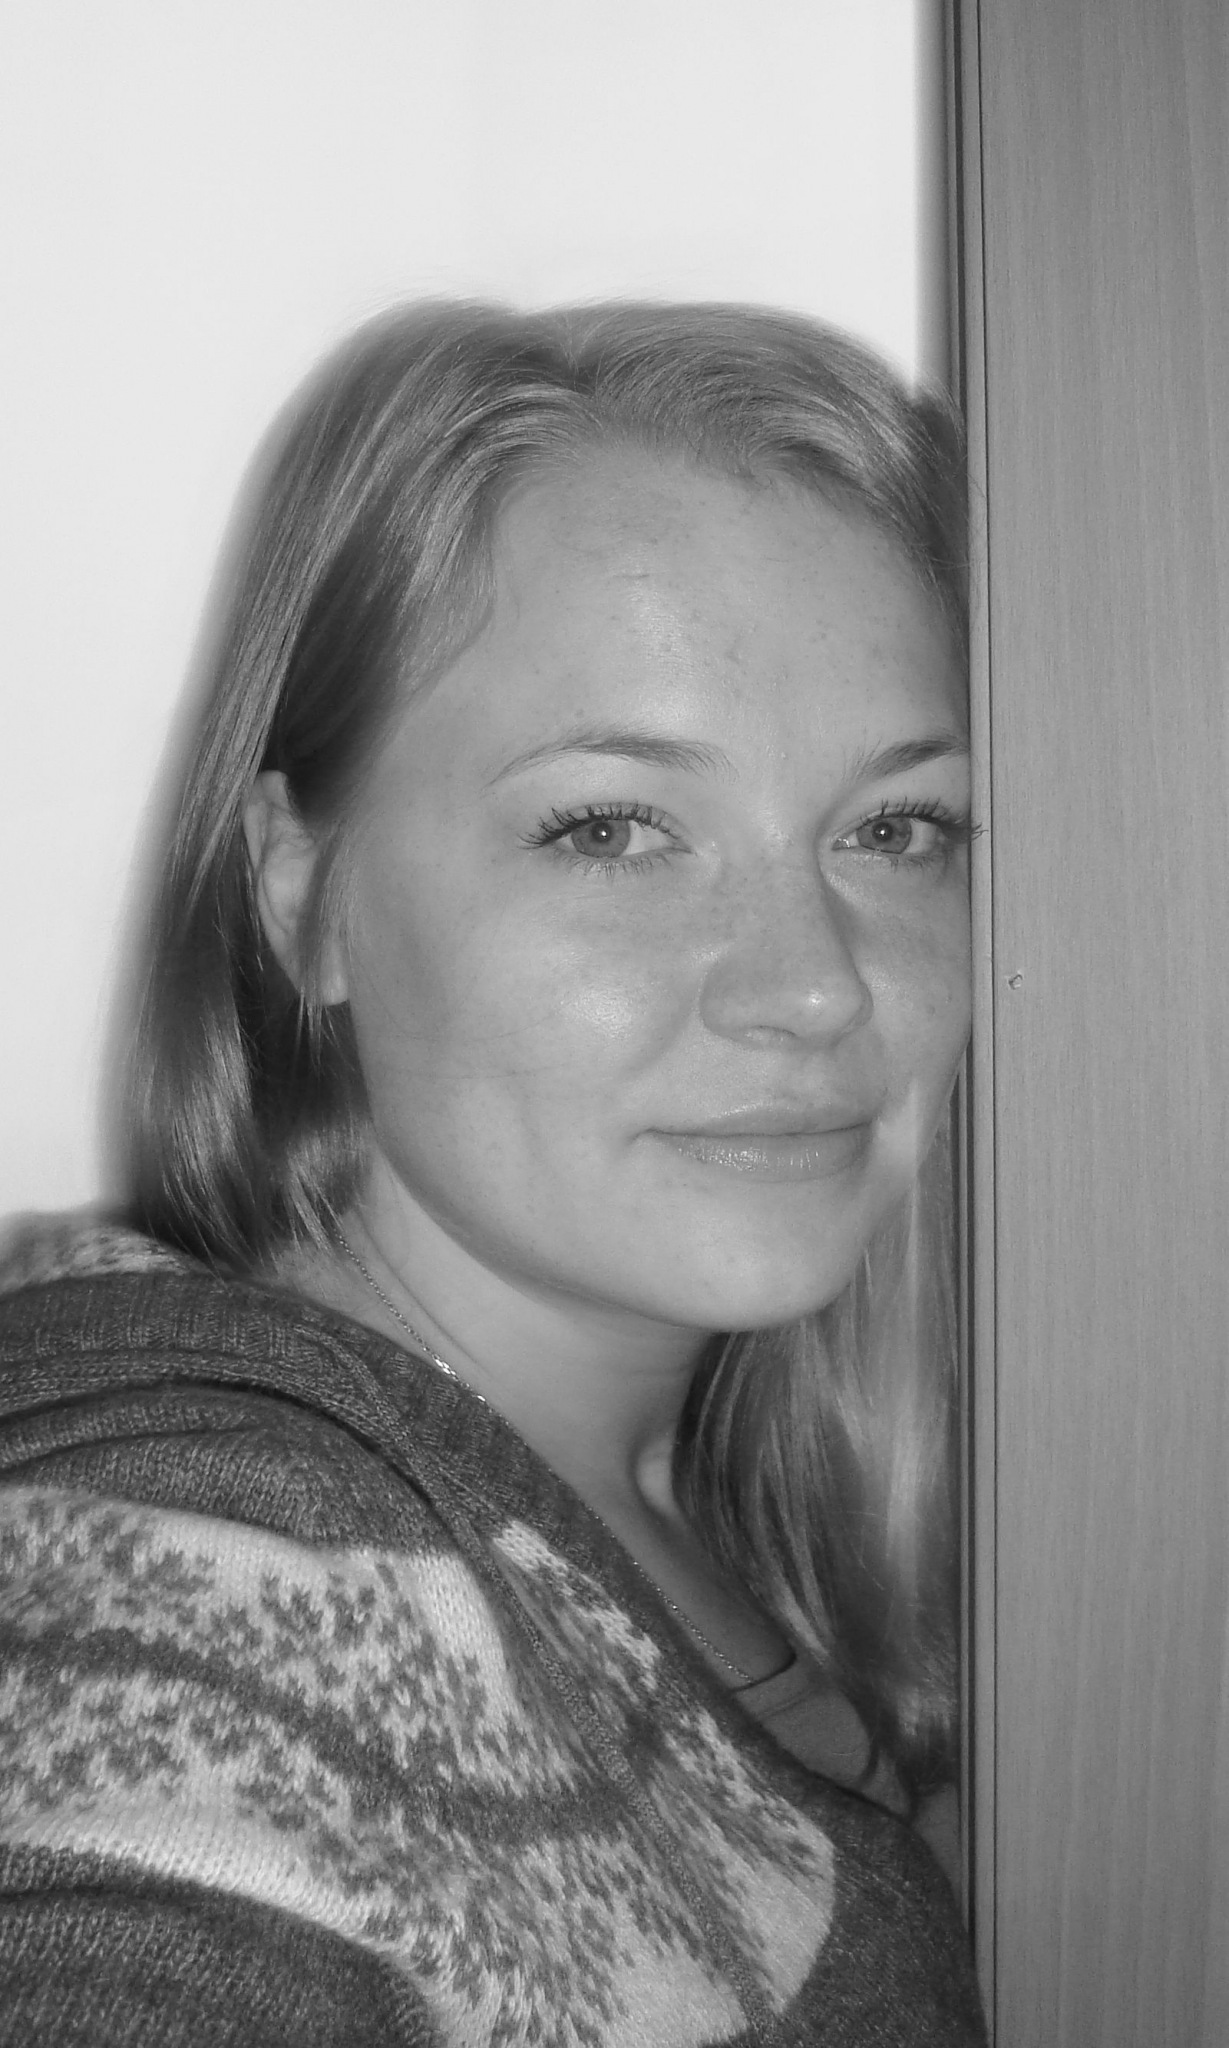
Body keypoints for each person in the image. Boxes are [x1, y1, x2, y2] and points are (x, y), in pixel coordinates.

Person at [0, 301, 984, 2045]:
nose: (813, 987)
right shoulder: (202, 1543)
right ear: (301, 897)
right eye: (610, 828)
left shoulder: (803, 1487)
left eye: (894, 829)